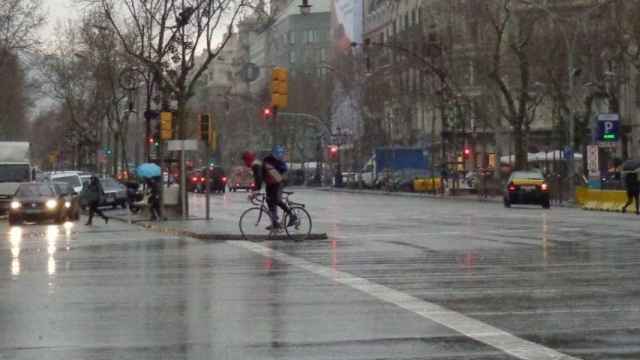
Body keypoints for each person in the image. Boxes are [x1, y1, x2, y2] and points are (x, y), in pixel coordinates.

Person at [242, 150, 297, 230]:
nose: (244, 163)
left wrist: (255, 191)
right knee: (269, 201)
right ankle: (275, 223)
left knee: (276, 200)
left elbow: (259, 178)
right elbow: (258, 179)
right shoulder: (255, 164)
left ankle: (292, 215)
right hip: (270, 182)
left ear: (247, 159)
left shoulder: (255, 164)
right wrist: (255, 190)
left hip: (277, 181)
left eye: (244, 161)